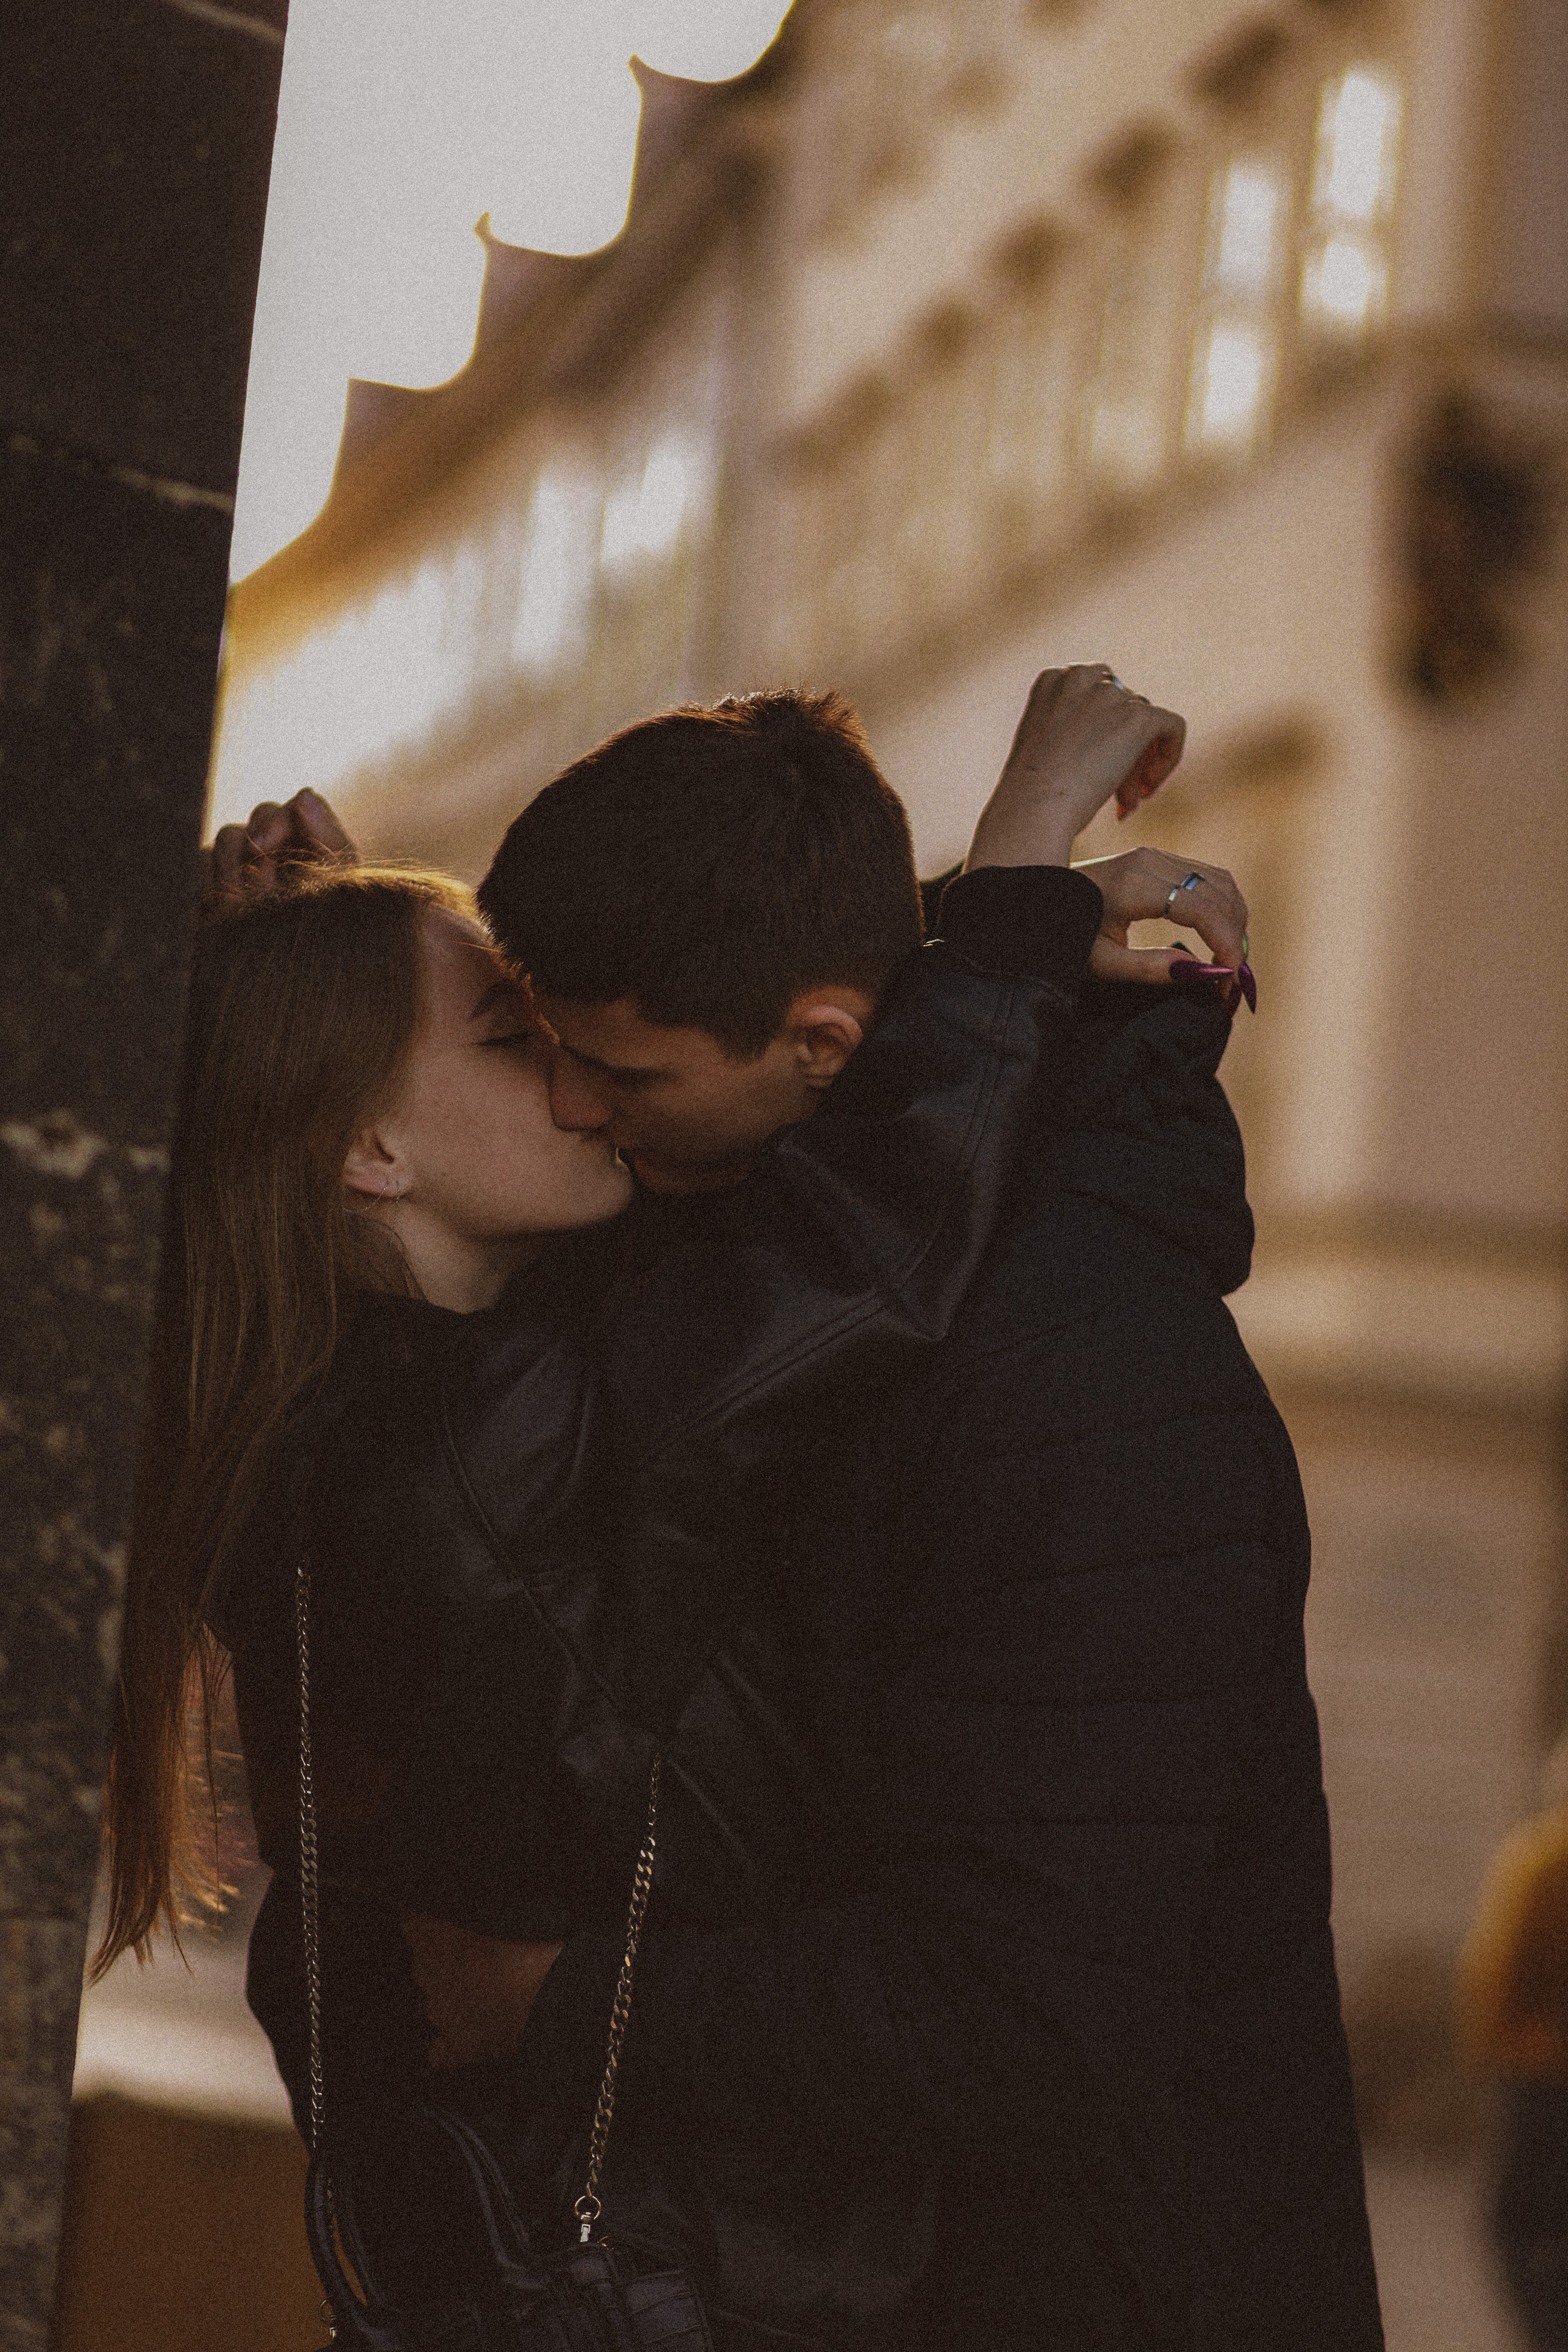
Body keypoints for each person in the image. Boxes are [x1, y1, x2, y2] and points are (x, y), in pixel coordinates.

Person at [103, 672, 1248, 2342]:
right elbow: (855, 1242)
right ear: (367, 1153)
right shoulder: (469, 1458)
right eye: (518, 1038)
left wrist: (897, 957)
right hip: (694, 2272)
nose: (580, 1084)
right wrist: (1002, 892)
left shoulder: (372, 1404)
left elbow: (742, 1116)